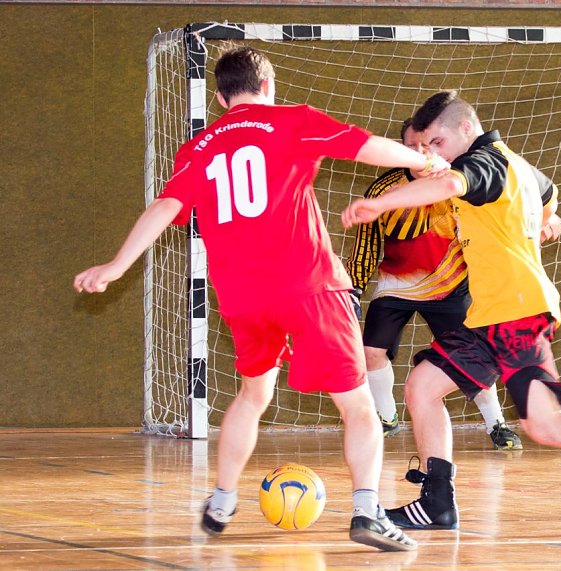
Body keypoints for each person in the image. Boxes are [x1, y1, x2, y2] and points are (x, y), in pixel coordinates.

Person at [74, 47, 452, 551]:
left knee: (254, 395)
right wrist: (423, 159)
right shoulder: (291, 120)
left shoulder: (199, 146)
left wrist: (117, 265)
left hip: (242, 297)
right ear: (268, 86)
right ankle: (366, 510)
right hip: (309, 284)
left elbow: (165, 205)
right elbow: (367, 147)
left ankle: (222, 500)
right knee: (358, 406)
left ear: (219, 97)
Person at [341, 91, 561, 531]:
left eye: (437, 143)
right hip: (489, 315)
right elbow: (549, 194)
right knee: (422, 387)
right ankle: (437, 502)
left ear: (466, 130)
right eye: (426, 146)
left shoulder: (484, 162)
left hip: (518, 312)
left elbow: (450, 185)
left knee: (543, 424)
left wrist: (379, 203)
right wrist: (545, 221)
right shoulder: (515, 164)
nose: (432, 154)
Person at [345, 117, 524, 450]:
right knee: (370, 351)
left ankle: (496, 424)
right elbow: (366, 246)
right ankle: (386, 418)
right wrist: (353, 287)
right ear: (400, 150)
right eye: (411, 147)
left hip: (449, 286)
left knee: (472, 358)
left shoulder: (458, 182)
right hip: (396, 285)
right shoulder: (382, 189)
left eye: (426, 146)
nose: (419, 152)